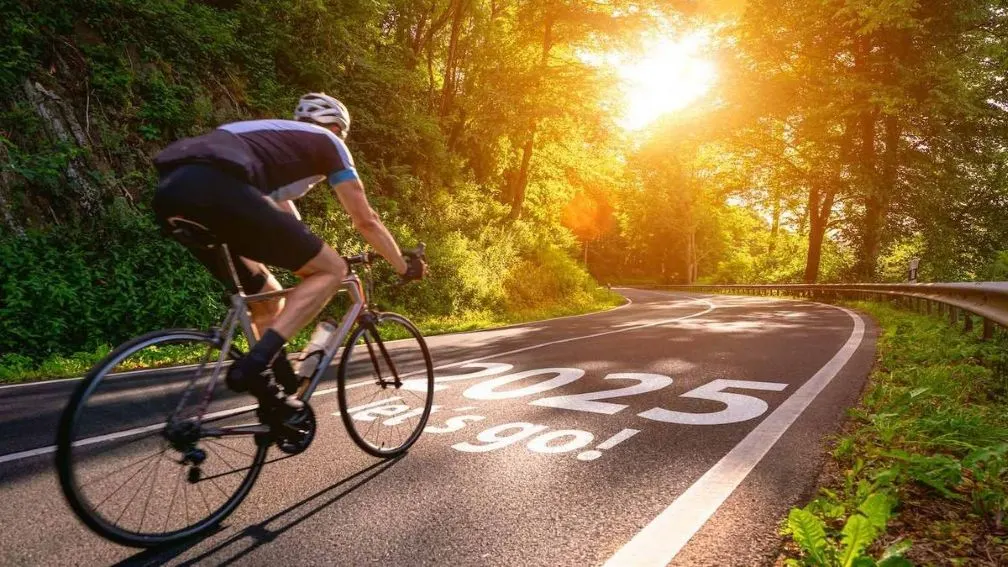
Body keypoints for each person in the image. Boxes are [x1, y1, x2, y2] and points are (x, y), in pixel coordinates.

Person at [151, 92, 426, 413]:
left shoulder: (267, 140)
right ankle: (253, 368)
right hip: (219, 188)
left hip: (171, 193)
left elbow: (293, 231)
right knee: (332, 271)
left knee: (269, 296)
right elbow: (366, 220)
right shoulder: (328, 141)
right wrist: (401, 265)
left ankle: (277, 394)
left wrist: (317, 260)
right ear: (337, 128)